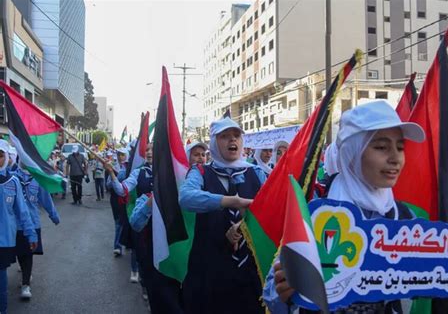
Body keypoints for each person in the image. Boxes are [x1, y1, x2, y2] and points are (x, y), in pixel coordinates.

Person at [264, 100, 426, 313]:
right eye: (381, 147)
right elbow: (272, 296)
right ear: (353, 151)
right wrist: (283, 293)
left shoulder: (405, 218)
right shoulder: (315, 217)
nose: (395, 158)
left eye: (400, 147)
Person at [179, 117, 267, 314]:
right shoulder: (200, 171)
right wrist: (231, 201)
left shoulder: (256, 172)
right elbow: (186, 198)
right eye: (224, 136)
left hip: (250, 272)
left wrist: (244, 224)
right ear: (214, 142)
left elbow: (272, 204)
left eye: (236, 135)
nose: (232, 140)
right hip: (209, 270)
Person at [105, 143, 183, 313]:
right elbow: (122, 190)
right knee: (146, 264)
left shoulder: (170, 172)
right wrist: (111, 173)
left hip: (166, 227)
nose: (149, 153)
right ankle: (147, 288)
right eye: (147, 150)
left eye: (153, 149)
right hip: (145, 227)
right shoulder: (139, 172)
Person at [12, 161, 60, 299]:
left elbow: (45, 199)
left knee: (28, 253)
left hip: (33, 223)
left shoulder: (37, 179)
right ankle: (26, 273)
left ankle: (25, 284)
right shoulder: (13, 177)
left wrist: (54, 215)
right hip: (16, 224)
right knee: (21, 253)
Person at [0, 140, 37, 313]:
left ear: (7, 158)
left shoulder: (13, 182)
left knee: (1, 280)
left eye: (0, 156)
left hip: (4, 240)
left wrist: (31, 234)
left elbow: (23, 212)